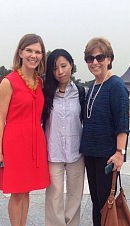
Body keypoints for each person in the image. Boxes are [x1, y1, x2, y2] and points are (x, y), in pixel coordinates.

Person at [0, 33, 50, 226]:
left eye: (38, 52)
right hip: (15, 142)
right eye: (29, 51)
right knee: (17, 193)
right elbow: (0, 120)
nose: (33, 55)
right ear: (20, 52)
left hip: (35, 141)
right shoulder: (8, 82)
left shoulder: (40, 83)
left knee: (26, 191)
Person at [79, 37, 129, 226]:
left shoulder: (116, 86)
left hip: (107, 156)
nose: (95, 62)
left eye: (100, 57)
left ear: (109, 59)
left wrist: (119, 153)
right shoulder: (92, 86)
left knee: (105, 204)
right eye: (90, 58)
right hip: (91, 153)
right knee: (97, 202)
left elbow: (122, 124)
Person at [42, 49, 85, 226]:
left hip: (76, 152)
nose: (60, 71)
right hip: (53, 152)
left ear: (71, 66)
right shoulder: (46, 94)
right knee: (54, 195)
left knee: (75, 195)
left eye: (64, 66)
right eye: (55, 68)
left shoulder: (81, 93)